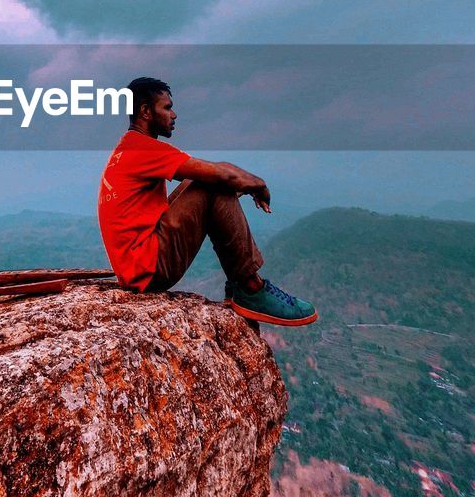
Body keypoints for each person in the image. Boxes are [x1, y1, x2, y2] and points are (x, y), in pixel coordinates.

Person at [96, 76, 317, 326]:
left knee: (204, 182)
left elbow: (210, 172)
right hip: (150, 269)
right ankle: (250, 287)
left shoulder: (130, 148)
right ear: (146, 112)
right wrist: (259, 184)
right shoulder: (141, 149)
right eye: (167, 108)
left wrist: (240, 185)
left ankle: (240, 286)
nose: (174, 114)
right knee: (212, 184)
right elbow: (220, 173)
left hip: (138, 268)